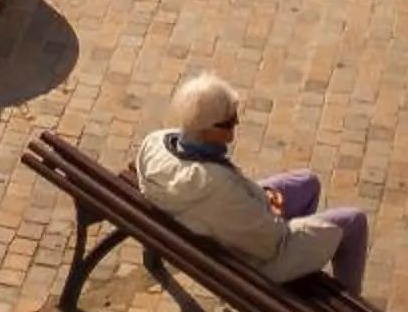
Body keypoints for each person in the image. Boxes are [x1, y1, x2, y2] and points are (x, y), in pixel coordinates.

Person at [135, 71, 369, 294]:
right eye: (228, 123)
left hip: (209, 223)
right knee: (354, 221)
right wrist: (269, 211)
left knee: (307, 182)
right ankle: (352, 309)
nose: (234, 128)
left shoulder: (154, 143)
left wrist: (262, 203)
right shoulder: (218, 185)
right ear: (205, 130)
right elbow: (270, 244)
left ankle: (305, 260)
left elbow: (230, 207)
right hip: (252, 261)